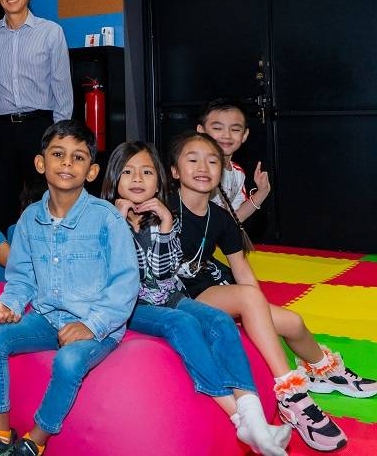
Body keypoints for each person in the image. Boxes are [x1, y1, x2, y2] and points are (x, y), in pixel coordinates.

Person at [169, 132, 377, 453]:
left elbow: (241, 270)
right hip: (183, 298)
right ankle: (291, 394)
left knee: (292, 322)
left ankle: (325, 372)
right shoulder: (165, 208)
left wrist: (261, 314)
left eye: (212, 161)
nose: (203, 167)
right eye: (192, 159)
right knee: (249, 300)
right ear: (173, 171)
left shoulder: (222, 218)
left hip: (219, 288)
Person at [100, 141, 291, 456]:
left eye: (146, 172)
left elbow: (164, 273)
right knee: (183, 323)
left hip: (169, 294)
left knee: (218, 319)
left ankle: (253, 416)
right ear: (114, 180)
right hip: (132, 306)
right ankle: (237, 416)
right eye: (128, 172)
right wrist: (118, 225)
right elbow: (119, 276)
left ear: (159, 181)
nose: (137, 179)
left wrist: (163, 225)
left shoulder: (163, 215)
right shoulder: (103, 219)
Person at [0, 120, 138, 456]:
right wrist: (12, 304)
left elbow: (125, 283)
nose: (67, 163)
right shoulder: (29, 219)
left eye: (78, 158)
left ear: (91, 171)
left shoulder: (107, 218)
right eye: (58, 154)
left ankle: (34, 441)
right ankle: (0, 436)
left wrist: (91, 325)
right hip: (48, 318)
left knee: (67, 362)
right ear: (40, 163)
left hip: (98, 325)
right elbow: (20, 277)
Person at [0, 0, 73, 232]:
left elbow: (62, 84)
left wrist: (60, 135)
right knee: (1, 198)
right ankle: (6, 258)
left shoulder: (51, 32)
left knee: (44, 194)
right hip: (0, 129)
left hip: (40, 126)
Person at [197, 99, 270, 223]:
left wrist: (262, 192)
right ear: (201, 131)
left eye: (235, 130)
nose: (226, 135)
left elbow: (234, 219)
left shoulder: (238, 173)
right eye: (217, 128)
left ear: (245, 135)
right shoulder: (193, 169)